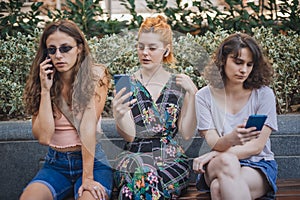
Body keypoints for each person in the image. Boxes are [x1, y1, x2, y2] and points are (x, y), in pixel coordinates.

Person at [20, 19, 113, 200]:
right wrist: (46, 89)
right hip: (56, 164)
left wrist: (87, 178)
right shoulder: (43, 79)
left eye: (65, 48)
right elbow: (45, 136)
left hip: (93, 162)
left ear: (79, 47)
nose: (58, 55)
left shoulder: (95, 76)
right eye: (52, 49)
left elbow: (87, 126)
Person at [112, 15, 198, 199]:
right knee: (144, 175)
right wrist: (119, 116)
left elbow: (186, 134)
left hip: (171, 160)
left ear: (166, 50)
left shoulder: (178, 84)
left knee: (133, 189)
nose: (145, 53)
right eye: (141, 46)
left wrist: (192, 95)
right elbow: (130, 136)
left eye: (152, 48)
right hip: (134, 157)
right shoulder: (127, 83)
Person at [193, 33, 278, 200]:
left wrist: (214, 154)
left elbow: (256, 147)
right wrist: (231, 139)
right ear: (223, 60)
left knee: (218, 188)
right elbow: (214, 142)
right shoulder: (204, 97)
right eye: (238, 62)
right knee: (227, 162)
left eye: (249, 64)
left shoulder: (264, 95)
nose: (243, 70)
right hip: (219, 165)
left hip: (257, 165)